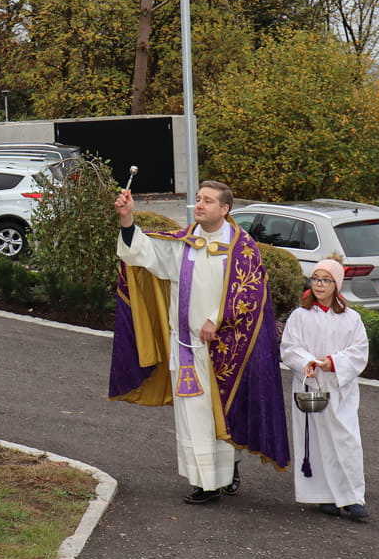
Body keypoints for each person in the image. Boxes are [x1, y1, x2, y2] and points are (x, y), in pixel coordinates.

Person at [110, 181, 290, 504]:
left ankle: (228, 470)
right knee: (193, 415)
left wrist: (216, 318)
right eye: (198, 199)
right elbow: (142, 253)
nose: (200, 205)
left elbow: (251, 294)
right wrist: (126, 218)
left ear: (225, 209)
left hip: (225, 348)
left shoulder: (241, 249)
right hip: (185, 346)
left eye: (208, 200)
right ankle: (205, 482)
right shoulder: (184, 243)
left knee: (224, 411)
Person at [280, 258, 370, 522]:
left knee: (346, 440)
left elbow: (359, 351)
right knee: (315, 441)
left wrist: (333, 362)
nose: (319, 284)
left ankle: (352, 497)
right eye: (315, 279)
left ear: (336, 285)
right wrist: (307, 362)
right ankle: (324, 495)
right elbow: (289, 347)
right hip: (310, 385)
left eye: (326, 280)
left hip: (339, 388)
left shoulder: (351, 319)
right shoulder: (300, 315)